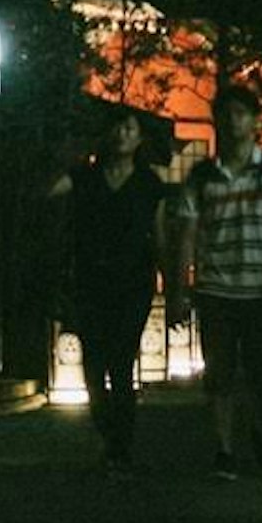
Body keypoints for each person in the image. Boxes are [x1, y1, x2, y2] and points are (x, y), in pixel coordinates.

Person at [53, 108, 179, 467]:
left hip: (132, 284)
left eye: (130, 128)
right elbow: (48, 192)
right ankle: (107, 427)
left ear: (139, 138)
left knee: (121, 361)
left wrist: (171, 289)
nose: (122, 134)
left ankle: (120, 444)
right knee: (93, 363)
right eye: (117, 128)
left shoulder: (148, 184)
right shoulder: (86, 177)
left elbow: (159, 238)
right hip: (90, 281)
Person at [187, 84, 262, 476]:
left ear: (256, 121)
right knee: (218, 374)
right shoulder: (201, 176)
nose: (233, 122)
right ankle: (224, 448)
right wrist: (182, 286)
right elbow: (187, 230)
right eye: (226, 114)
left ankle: (261, 430)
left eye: (241, 114)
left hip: (260, 287)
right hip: (215, 288)